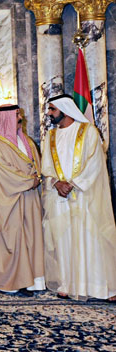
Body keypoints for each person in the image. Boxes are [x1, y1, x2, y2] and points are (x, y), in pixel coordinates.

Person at [41, 94, 116, 302]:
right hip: (59, 196)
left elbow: (96, 164)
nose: (49, 114)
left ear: (65, 110)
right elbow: (45, 166)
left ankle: (100, 287)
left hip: (85, 196)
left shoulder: (89, 132)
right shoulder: (51, 136)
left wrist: (73, 184)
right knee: (63, 240)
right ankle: (67, 283)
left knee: (91, 239)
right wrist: (56, 183)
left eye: (52, 110)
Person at [0, 105, 45, 297]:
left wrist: (36, 178)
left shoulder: (27, 141)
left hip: (29, 199)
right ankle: (5, 281)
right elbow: (2, 172)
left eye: (20, 113)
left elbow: (37, 165)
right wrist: (30, 180)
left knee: (30, 237)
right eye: (16, 115)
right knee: (10, 238)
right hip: (5, 200)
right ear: (5, 118)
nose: (20, 117)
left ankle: (30, 281)